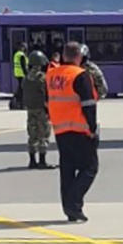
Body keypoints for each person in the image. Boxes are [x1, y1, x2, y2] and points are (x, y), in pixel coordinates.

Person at [47, 41, 99, 223]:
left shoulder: (52, 74)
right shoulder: (80, 75)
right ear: (78, 56)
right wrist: (92, 128)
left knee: (67, 170)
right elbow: (88, 105)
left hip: (60, 129)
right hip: (79, 129)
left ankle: (70, 210)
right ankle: (73, 203)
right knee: (90, 168)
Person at [23, 49, 52, 169]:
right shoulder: (42, 78)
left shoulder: (26, 78)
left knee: (32, 134)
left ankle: (32, 161)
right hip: (41, 109)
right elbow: (47, 94)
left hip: (30, 109)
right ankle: (42, 161)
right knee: (43, 134)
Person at [13, 42, 29, 109]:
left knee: (20, 88)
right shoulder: (22, 55)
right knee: (22, 89)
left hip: (17, 73)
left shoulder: (16, 54)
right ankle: (21, 103)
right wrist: (27, 74)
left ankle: (16, 101)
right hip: (21, 74)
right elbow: (23, 66)